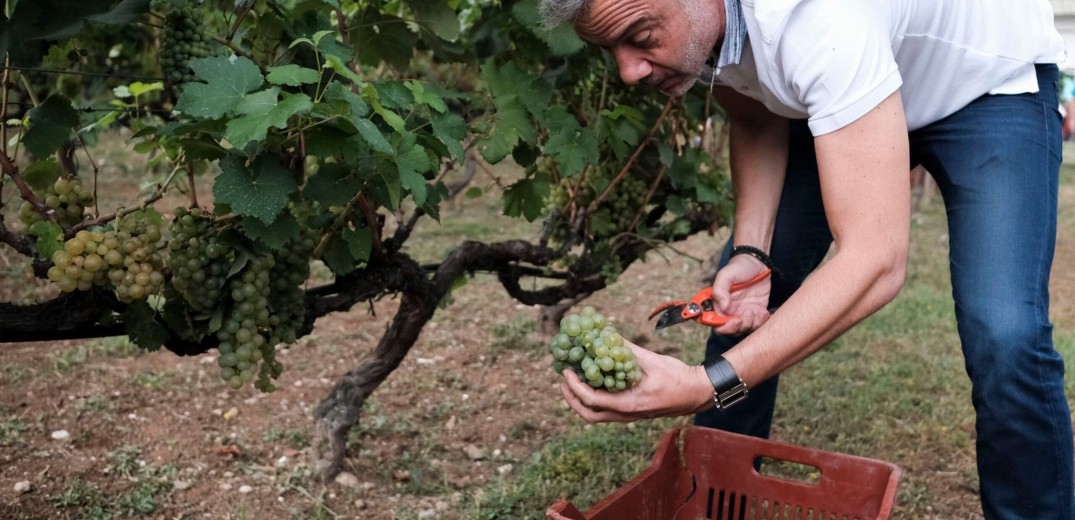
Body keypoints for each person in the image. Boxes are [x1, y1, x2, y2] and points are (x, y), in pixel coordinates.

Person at [537, 0, 1074, 517]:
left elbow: (875, 261)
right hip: (840, 81)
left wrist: (706, 384)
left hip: (983, 83)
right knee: (741, 310)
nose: (629, 70)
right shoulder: (701, 27)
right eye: (611, 49)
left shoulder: (816, 19)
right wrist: (752, 249)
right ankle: (718, 505)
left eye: (641, 37)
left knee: (1006, 335)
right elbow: (752, 116)